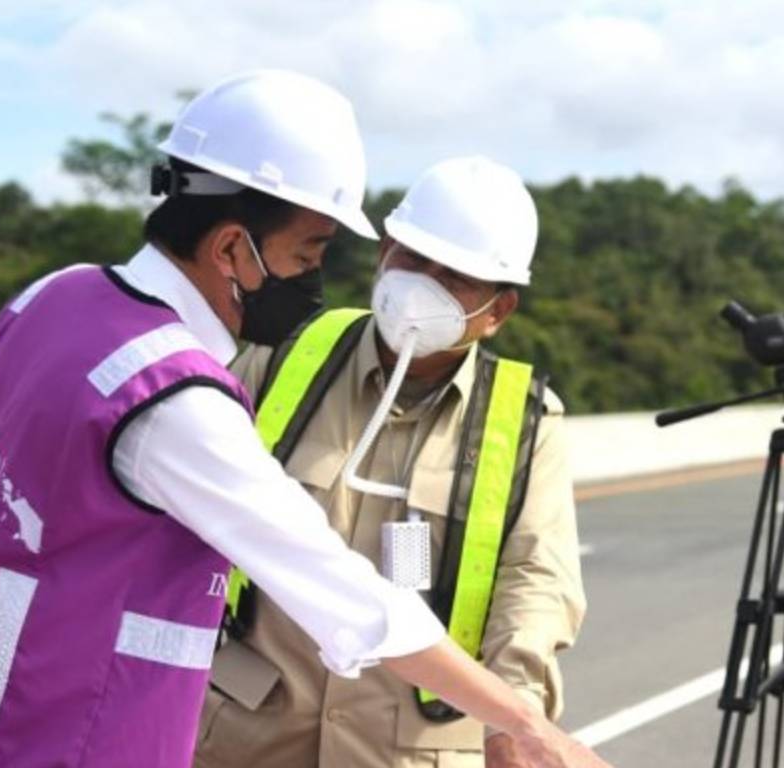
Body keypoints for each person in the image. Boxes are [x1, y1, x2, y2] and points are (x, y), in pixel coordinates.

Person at [0, 71, 610, 768]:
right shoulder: (177, 398)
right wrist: (528, 726)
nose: (316, 279)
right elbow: (339, 589)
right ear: (235, 248)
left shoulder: (50, 297)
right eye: (309, 254)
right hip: (92, 737)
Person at [193, 156, 585, 768]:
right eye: (411, 259)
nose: (421, 286)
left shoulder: (526, 420)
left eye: (454, 278)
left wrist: (515, 714)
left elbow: (535, 581)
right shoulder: (283, 356)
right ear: (382, 252)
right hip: (248, 731)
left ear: (498, 311)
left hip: (411, 747)